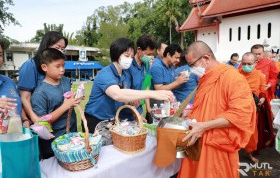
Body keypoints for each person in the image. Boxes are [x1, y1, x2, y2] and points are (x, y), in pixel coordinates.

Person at [178, 41, 256, 178]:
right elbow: (209, 104)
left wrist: (204, 126)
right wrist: (192, 112)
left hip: (217, 144)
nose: (191, 69)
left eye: (192, 64)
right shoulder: (206, 77)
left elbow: (240, 114)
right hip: (197, 140)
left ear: (206, 58)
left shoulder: (233, 77)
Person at [84, 38, 173, 132]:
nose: (129, 59)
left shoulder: (124, 75)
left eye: (131, 56)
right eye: (126, 55)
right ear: (117, 54)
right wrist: (153, 94)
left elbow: (124, 97)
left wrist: (131, 102)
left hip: (112, 121)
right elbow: (117, 94)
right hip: (95, 120)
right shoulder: (105, 73)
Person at [31, 48, 78, 159]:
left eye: (63, 65)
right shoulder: (40, 93)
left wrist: (75, 98)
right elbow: (42, 123)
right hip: (54, 145)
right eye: (57, 66)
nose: (62, 70)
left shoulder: (65, 81)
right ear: (44, 67)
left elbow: (69, 99)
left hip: (72, 137)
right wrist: (65, 106)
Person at [18, 31, 68, 124]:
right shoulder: (30, 65)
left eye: (63, 49)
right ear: (46, 46)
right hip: (38, 117)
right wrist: (34, 119)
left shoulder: (57, 65)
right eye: (57, 47)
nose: (60, 51)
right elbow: (25, 97)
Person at [239, 52, 266, 163]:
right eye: (244, 63)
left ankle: (248, 153)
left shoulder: (260, 75)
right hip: (237, 108)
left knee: (251, 132)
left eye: (249, 64)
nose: (246, 66)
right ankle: (232, 153)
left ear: (255, 63)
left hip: (252, 108)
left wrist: (262, 98)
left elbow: (263, 89)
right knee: (234, 131)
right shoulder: (236, 73)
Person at [123, 34, 158, 115]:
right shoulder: (128, 65)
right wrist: (136, 115)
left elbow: (146, 86)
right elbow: (126, 92)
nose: (151, 57)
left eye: (152, 54)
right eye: (148, 54)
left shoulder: (147, 65)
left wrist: (148, 108)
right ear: (139, 49)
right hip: (127, 110)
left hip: (139, 109)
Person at [0, 41, 30, 127]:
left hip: (16, 136)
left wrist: (25, 119)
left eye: (0, 55)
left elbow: (17, 103)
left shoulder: (9, 82)